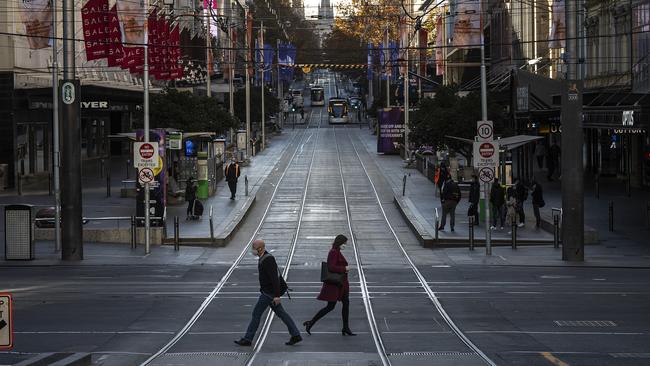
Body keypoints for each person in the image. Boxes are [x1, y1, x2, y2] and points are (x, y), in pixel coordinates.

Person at [235, 239, 302, 346]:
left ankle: (248, 339)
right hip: (269, 292)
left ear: (260, 248)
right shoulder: (263, 258)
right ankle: (296, 335)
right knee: (281, 313)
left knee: (256, 313)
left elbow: (275, 278)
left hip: (269, 293)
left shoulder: (268, 259)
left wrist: (276, 296)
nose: (253, 250)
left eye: (254, 247)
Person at [303, 234, 356, 336]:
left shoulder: (337, 252)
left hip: (342, 284)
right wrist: (344, 269)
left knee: (346, 304)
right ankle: (311, 323)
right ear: (340, 243)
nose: (345, 245)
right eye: (344, 243)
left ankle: (346, 327)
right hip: (335, 285)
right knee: (330, 306)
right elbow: (331, 267)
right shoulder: (333, 252)